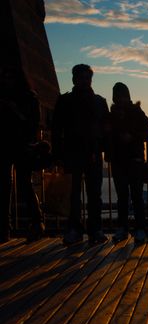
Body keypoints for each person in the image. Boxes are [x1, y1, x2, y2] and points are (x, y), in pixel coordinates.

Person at [51, 64, 109, 245]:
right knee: (73, 194)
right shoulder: (66, 101)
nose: (84, 81)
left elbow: (106, 129)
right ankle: (77, 229)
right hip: (73, 152)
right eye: (81, 78)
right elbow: (56, 129)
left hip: (91, 153)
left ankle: (93, 230)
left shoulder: (98, 102)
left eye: (87, 78)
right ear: (75, 79)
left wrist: (103, 150)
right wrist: (58, 154)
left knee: (94, 194)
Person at [0, 65, 45, 243]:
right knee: (5, 186)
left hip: (21, 144)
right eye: (4, 76)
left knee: (23, 184)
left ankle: (36, 223)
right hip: (5, 145)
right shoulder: (21, 96)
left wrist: (14, 109)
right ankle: (5, 228)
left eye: (9, 77)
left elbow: (33, 123)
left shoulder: (28, 98)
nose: (6, 80)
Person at [106, 82, 148, 245]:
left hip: (133, 159)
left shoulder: (135, 112)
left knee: (136, 196)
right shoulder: (112, 115)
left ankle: (138, 229)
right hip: (120, 160)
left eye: (122, 95)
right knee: (123, 197)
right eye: (117, 96)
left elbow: (147, 130)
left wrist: (132, 136)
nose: (120, 99)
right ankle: (125, 228)